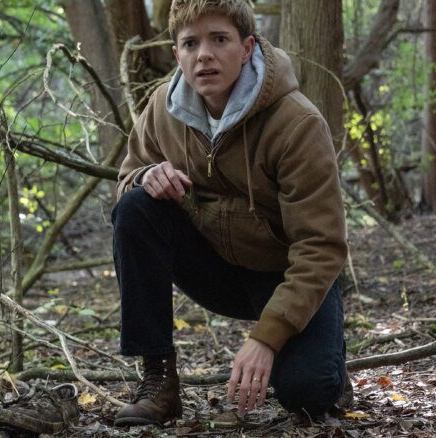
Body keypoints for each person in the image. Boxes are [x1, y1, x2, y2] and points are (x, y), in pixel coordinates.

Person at [111, 0, 349, 426]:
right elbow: (127, 179)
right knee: (135, 209)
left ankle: (329, 367)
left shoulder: (297, 123)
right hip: (214, 267)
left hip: (285, 273)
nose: (204, 54)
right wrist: (148, 175)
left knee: (308, 395)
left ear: (246, 47)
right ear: (177, 52)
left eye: (219, 39)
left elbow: (322, 245)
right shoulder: (162, 109)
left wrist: (265, 339)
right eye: (190, 43)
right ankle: (159, 380)